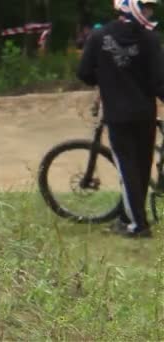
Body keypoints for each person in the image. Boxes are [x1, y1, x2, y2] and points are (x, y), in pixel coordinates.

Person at [77, 0, 164, 238]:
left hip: (117, 114)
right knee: (141, 167)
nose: (150, 10)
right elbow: (159, 81)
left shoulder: (98, 36)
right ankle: (129, 217)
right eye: (146, 5)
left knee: (128, 170)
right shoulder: (150, 39)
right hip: (145, 113)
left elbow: (84, 73)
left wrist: (105, 77)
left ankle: (138, 226)